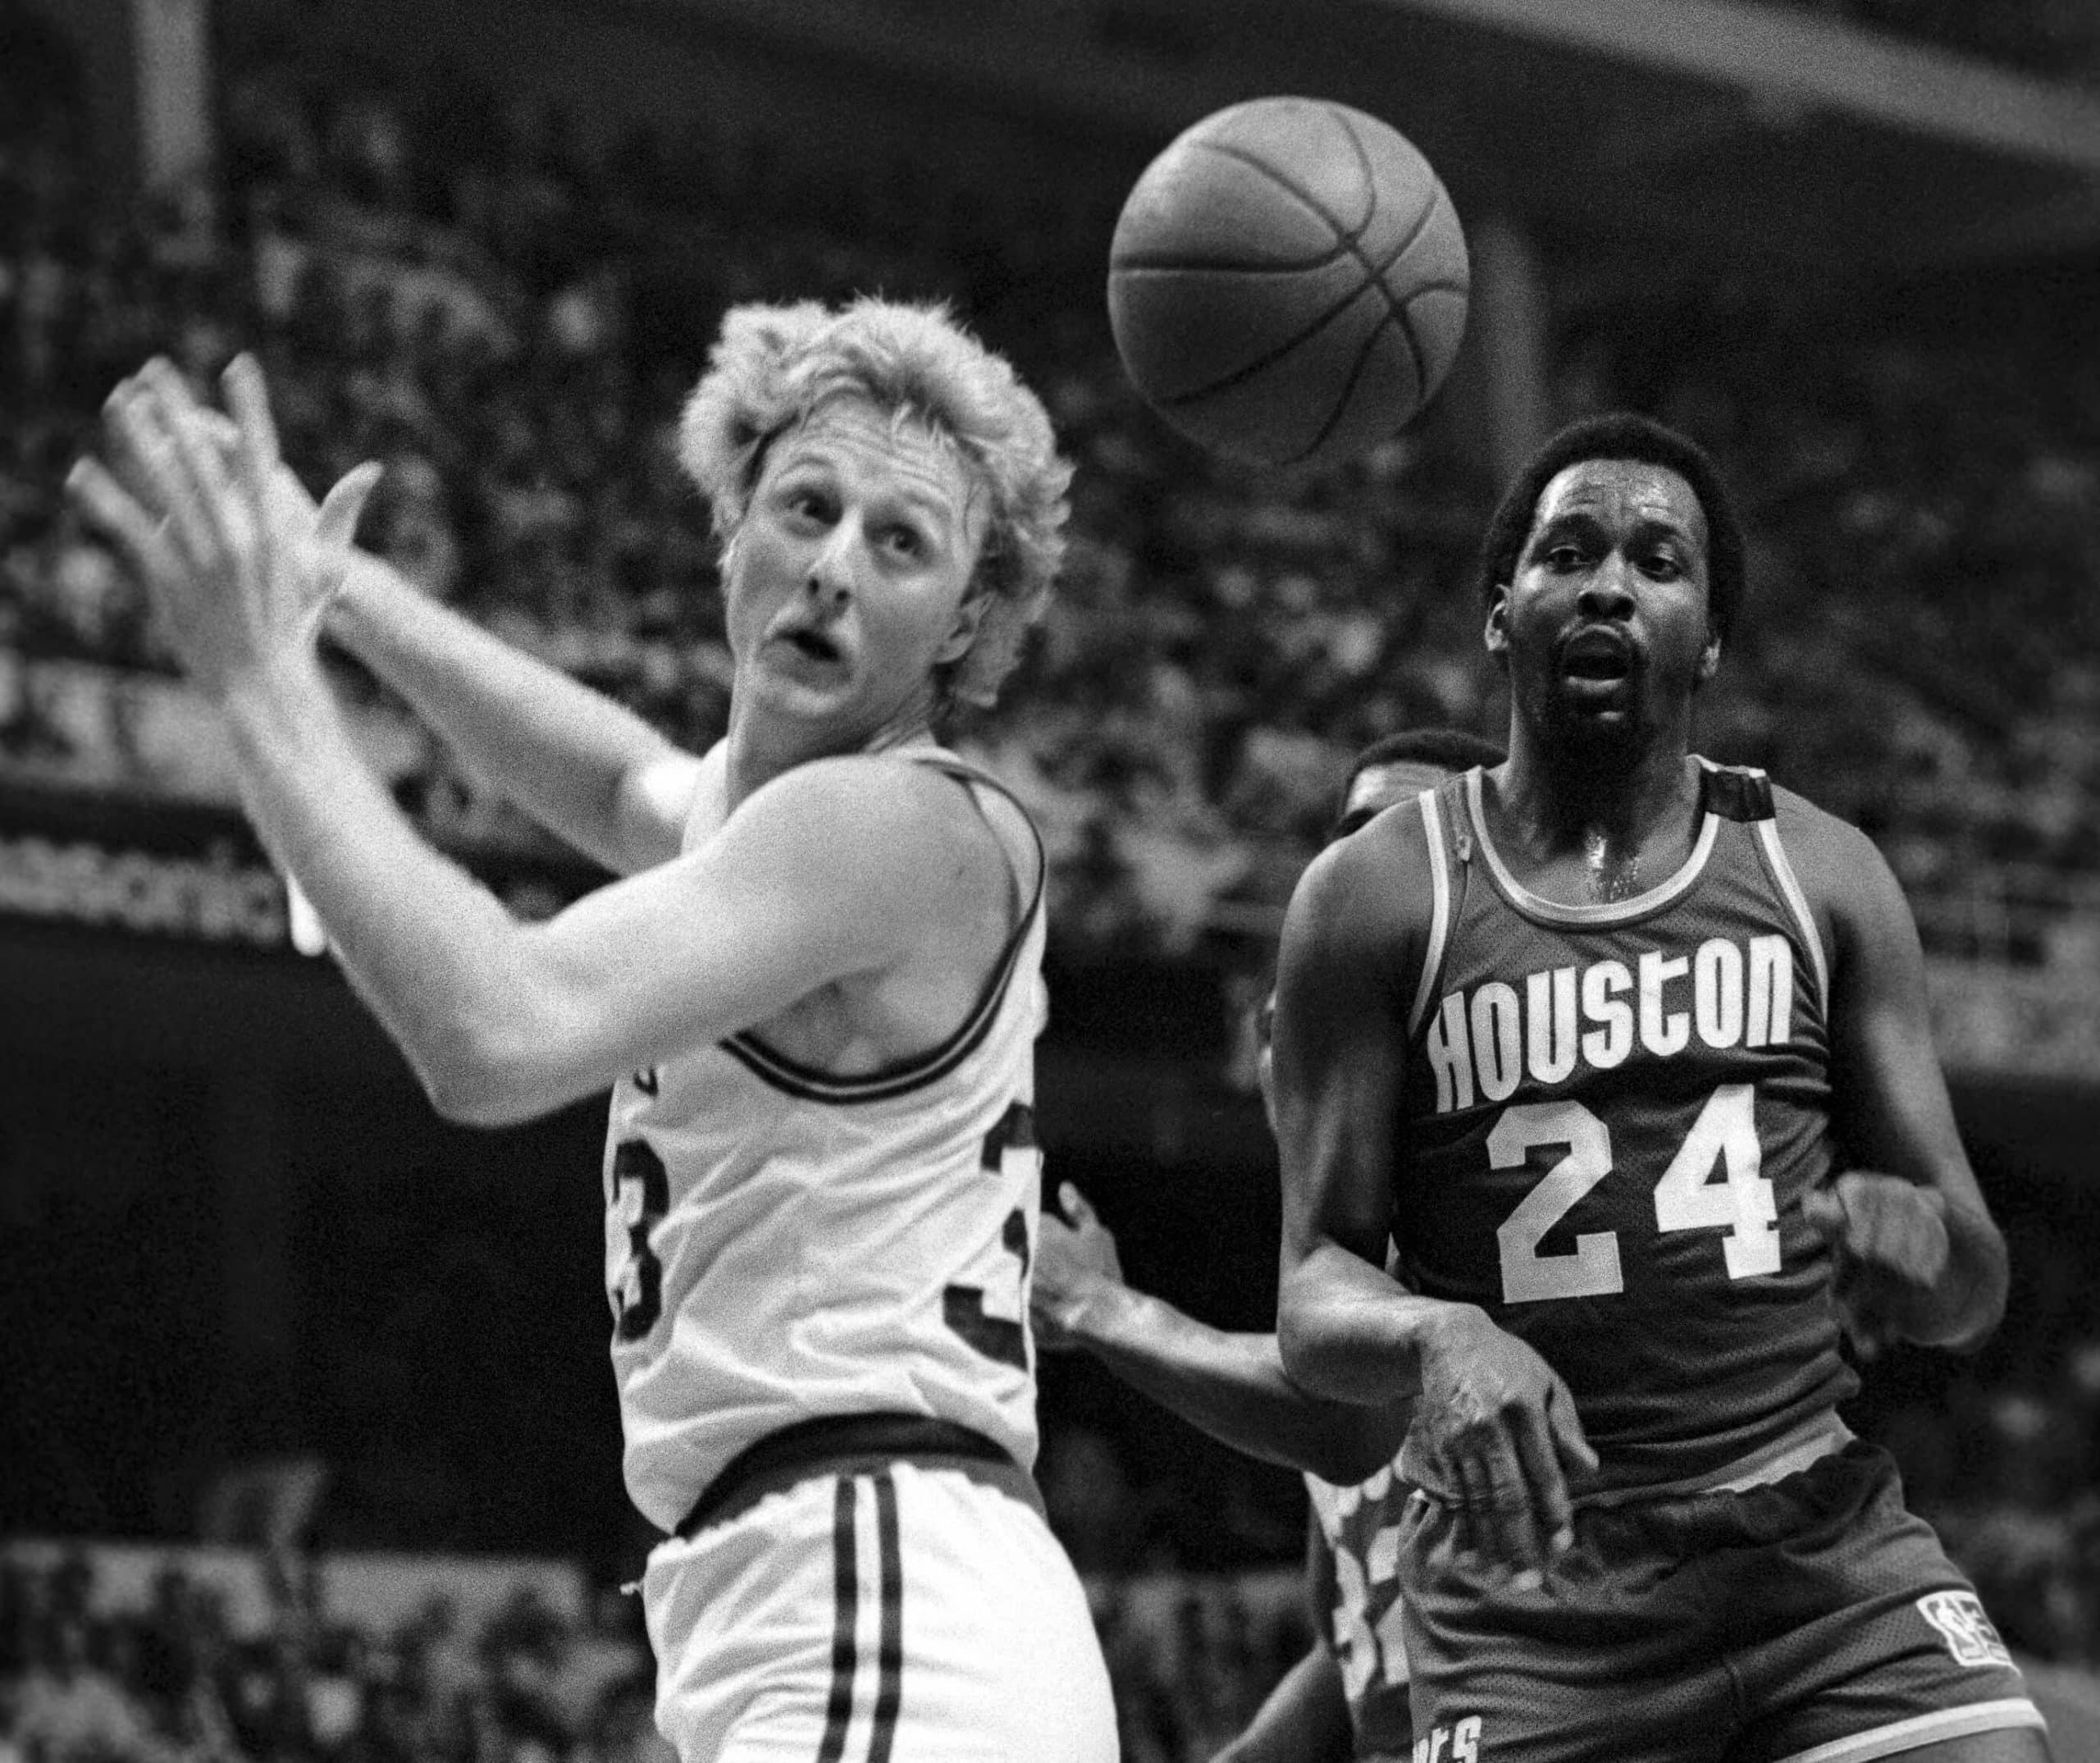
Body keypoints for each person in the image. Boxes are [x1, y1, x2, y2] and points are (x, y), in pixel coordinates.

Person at [66, 299, 1120, 1763]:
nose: (831, 564)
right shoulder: (751, 828)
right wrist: (342, 588)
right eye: (807, 507)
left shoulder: (900, 823)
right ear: (730, 532)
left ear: (965, 623)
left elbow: (495, 1030)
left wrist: (261, 676)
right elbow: (617, 776)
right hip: (820, 1584)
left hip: (887, 1588)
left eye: (901, 542)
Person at [1271, 412, 2050, 1763]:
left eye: (1657, 557)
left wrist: (1916, 1239)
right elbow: (1310, 1287)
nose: (1611, 582)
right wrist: (1434, 1332)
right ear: (1502, 613)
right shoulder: (1373, 893)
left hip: (1816, 1537)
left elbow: (1971, 1283)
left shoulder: (1825, 872)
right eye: (1568, 551)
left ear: (1711, 635)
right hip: (1537, 1587)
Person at [1033, 727, 1503, 1763]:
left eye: (1412, 844)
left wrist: (1100, 1307)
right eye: (1352, 845)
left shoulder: (1509, 1160)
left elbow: (1351, 1422)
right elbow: (1356, 1644)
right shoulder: (1342, 1249)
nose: (1368, 875)